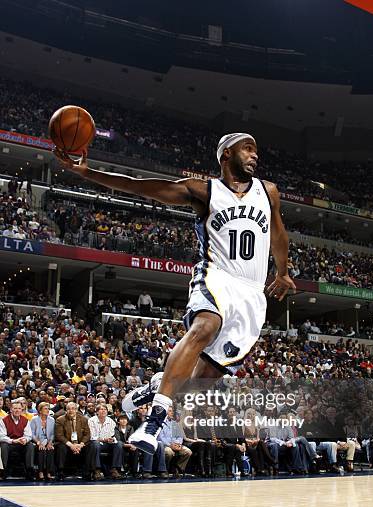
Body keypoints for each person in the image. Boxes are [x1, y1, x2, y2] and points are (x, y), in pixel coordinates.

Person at [55, 132, 296, 454]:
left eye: (256, 150)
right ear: (226, 155)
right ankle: (154, 422)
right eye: (248, 149)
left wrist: (282, 272)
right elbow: (139, 185)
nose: (255, 155)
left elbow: (279, 234)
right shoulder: (203, 191)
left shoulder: (269, 192)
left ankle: (156, 385)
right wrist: (87, 172)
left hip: (252, 294)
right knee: (204, 327)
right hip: (217, 276)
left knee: (205, 378)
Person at [0, 398, 35, 480]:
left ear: (22, 409)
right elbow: (1, 436)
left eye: (19, 408)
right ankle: (3, 471)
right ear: (11, 409)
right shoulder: (3, 420)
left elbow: (29, 435)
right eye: (15, 408)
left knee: (30, 445)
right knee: (3, 445)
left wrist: (25, 439)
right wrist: (12, 440)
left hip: (21, 443)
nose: (17, 410)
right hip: (10, 444)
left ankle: (29, 470)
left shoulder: (25, 420)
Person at [30, 401, 55, 480]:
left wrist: (50, 443)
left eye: (48, 409)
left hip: (47, 441)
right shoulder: (34, 419)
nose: (48, 410)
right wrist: (38, 442)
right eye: (45, 409)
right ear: (40, 410)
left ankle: (48, 472)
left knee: (50, 449)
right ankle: (40, 472)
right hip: (37, 441)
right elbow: (32, 434)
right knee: (41, 450)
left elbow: (52, 434)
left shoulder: (52, 420)